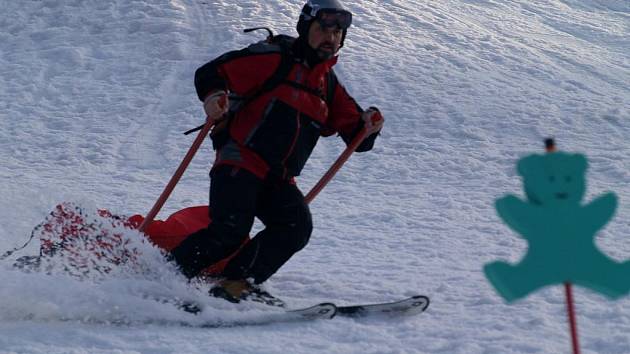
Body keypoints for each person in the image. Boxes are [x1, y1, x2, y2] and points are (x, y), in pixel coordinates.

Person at [170, 0, 384, 304]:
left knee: (295, 228)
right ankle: (160, 278)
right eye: (323, 28)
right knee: (229, 232)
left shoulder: (327, 84)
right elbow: (212, 72)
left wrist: (369, 125)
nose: (331, 37)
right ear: (305, 27)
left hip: (278, 178)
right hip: (240, 162)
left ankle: (233, 286)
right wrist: (215, 96)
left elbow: (357, 138)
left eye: (338, 32)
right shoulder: (274, 58)